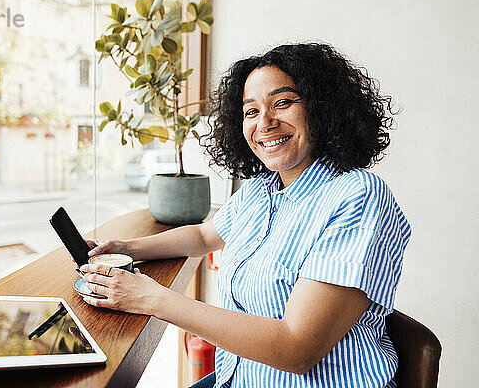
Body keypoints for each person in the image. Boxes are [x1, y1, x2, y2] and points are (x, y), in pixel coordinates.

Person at [77, 43, 411, 388]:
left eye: (283, 102)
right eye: (251, 111)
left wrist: (150, 298)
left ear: (322, 110)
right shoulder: (260, 190)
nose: (264, 122)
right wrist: (126, 248)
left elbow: (297, 348)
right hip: (238, 378)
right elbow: (203, 236)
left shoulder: (358, 196)